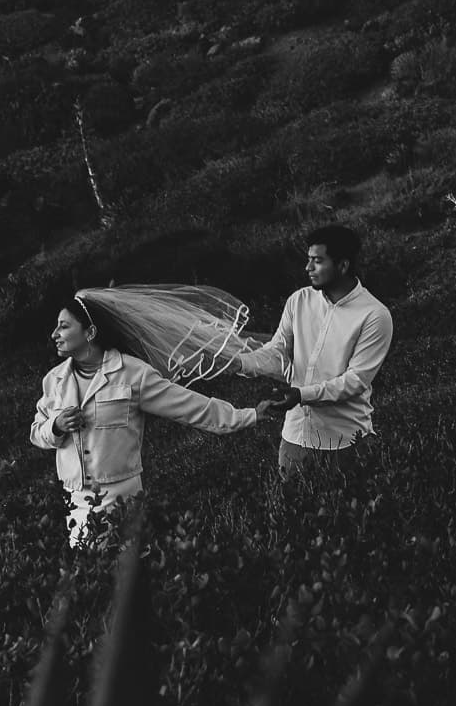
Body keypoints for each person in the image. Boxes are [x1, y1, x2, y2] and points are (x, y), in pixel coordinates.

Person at [31, 294, 275, 547]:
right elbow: (37, 432)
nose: (54, 334)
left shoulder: (132, 373)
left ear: (90, 332)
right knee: (86, 567)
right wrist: (56, 426)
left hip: (121, 498)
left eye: (63, 326)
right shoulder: (54, 380)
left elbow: (189, 406)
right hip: (75, 502)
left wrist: (248, 415)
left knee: (126, 567)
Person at [238, 225, 394, 478]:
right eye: (308, 259)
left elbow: (355, 381)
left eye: (317, 261)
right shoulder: (298, 301)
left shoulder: (374, 315)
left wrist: (301, 395)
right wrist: (239, 363)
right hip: (295, 440)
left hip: (346, 442)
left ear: (343, 266)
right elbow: (276, 350)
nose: (307, 268)